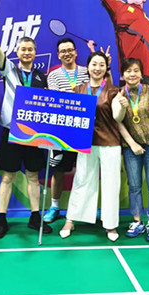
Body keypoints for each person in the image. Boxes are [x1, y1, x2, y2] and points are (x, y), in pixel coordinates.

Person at [0, 10, 52, 239]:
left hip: (34, 134)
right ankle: (2, 220)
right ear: (17, 52)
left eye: (30, 49)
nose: (26, 52)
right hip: (12, 132)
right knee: (8, 177)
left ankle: (35, 217)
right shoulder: (9, 69)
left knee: (33, 177)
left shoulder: (41, 77)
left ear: (35, 52)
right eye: (23, 49)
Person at [59, 51, 122, 242]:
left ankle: (110, 224)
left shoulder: (113, 91)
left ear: (106, 68)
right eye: (94, 64)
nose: (97, 68)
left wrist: (122, 107)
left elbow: (118, 116)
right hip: (86, 144)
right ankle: (71, 220)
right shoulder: (78, 89)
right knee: (82, 180)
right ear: (87, 67)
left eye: (101, 65)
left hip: (110, 143)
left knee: (111, 184)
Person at [112, 58, 149, 242]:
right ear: (123, 75)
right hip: (131, 147)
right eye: (128, 71)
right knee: (134, 186)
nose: (132, 74)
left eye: (136, 70)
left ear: (141, 73)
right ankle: (137, 221)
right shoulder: (119, 94)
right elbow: (117, 120)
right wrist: (132, 144)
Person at [44, 37, 89, 223]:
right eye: (63, 51)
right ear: (58, 55)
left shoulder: (87, 71)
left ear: (76, 52)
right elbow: (57, 101)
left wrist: (70, 96)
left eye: (70, 50)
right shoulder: (53, 75)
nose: (67, 54)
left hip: (83, 130)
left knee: (85, 171)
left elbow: (91, 96)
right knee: (58, 171)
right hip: (60, 132)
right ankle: (54, 206)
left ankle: (84, 208)